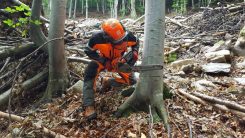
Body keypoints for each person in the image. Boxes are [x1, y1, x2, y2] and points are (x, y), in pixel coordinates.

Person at [82, 18, 139, 120]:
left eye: (122, 39)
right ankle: (88, 105)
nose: (122, 42)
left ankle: (108, 81)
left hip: (118, 61)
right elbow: (88, 50)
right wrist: (103, 61)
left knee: (132, 82)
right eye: (118, 41)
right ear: (107, 37)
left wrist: (135, 52)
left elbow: (136, 42)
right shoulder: (97, 38)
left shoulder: (128, 36)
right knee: (90, 70)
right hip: (103, 60)